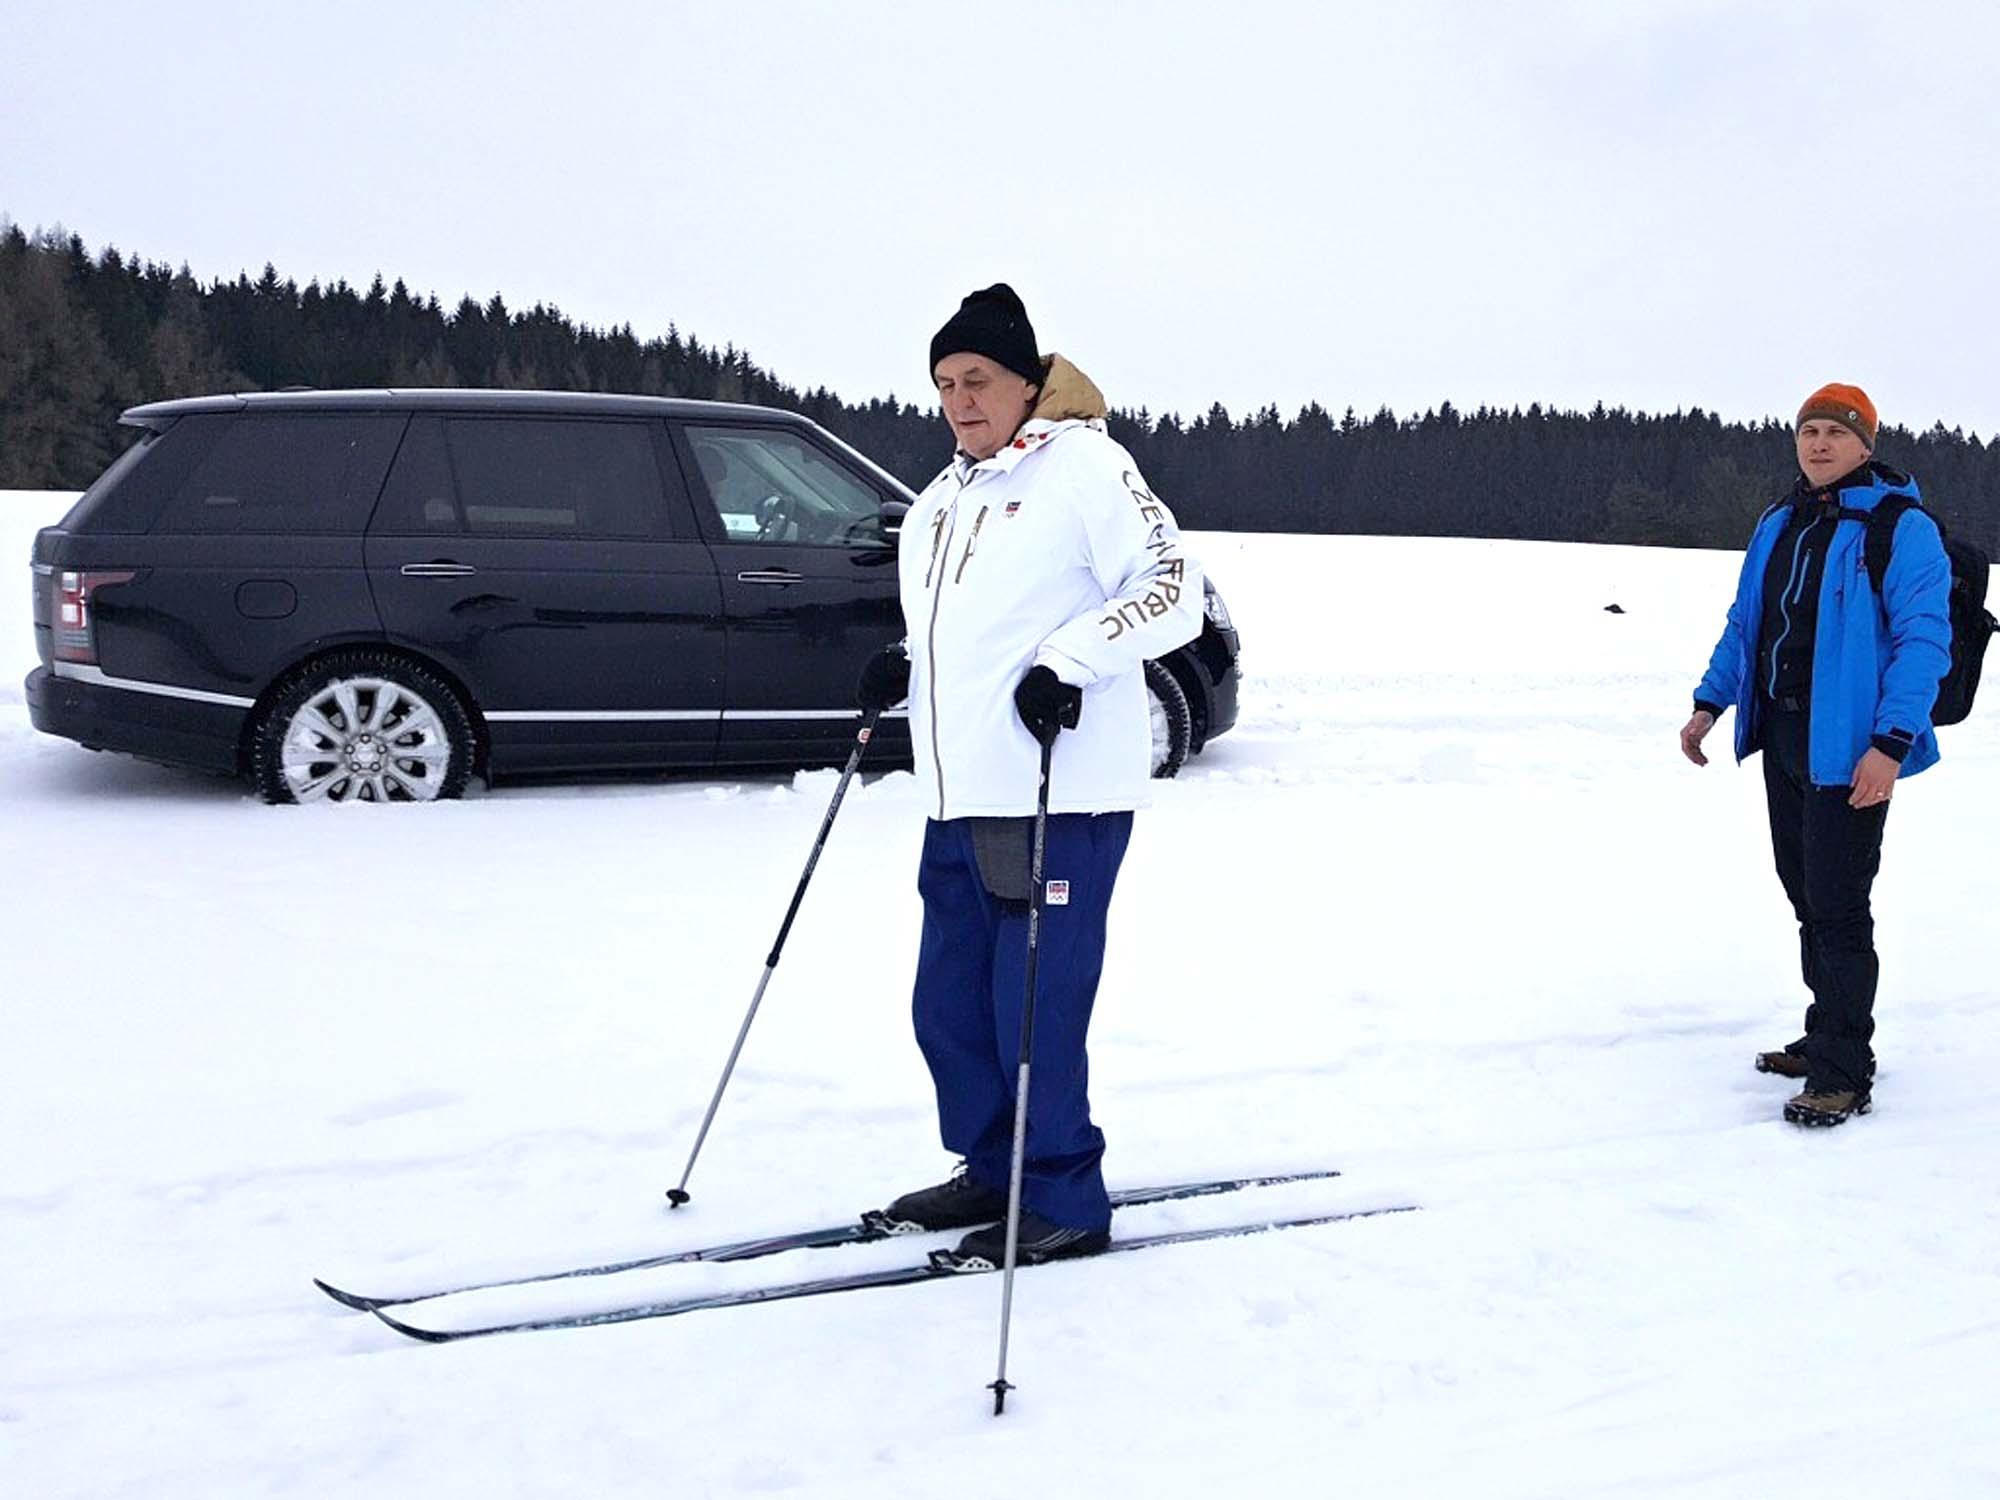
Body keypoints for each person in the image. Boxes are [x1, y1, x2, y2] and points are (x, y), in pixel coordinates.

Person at [854, 284, 1203, 1263]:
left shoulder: (1084, 466)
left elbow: (1170, 588)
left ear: (1025, 381)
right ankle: (993, 1167)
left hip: (1058, 796)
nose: (959, 400)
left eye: (977, 378)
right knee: (950, 1009)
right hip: (958, 797)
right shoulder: (942, 498)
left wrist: (1071, 660)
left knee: (1032, 1012)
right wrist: (906, 663)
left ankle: (1061, 1196)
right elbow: (970, 626)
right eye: (943, 383)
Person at [1680, 383, 1952, 1126]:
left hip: (1853, 750)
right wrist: (1710, 702)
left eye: (1837, 432)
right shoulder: (1779, 521)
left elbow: (1925, 643)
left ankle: (1844, 1070)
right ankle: (1825, 1031)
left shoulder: (1901, 528)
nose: (1820, 444)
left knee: (1838, 906)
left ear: (1866, 445)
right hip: (1784, 738)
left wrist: (1890, 745)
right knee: (1806, 895)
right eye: (1810, 432)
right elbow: (1746, 625)